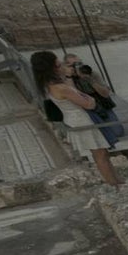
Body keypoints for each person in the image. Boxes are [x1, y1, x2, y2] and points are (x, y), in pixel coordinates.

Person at [31, 51, 119, 186]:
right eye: (59, 64)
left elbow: (75, 92)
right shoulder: (60, 88)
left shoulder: (51, 85)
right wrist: (90, 99)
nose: (61, 66)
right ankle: (114, 183)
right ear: (53, 67)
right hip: (83, 120)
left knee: (102, 153)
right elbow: (88, 103)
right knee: (100, 155)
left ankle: (116, 180)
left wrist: (68, 77)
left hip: (77, 119)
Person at [63, 54, 123, 148]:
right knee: (97, 134)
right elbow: (73, 94)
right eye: (74, 65)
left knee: (118, 132)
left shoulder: (92, 74)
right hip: (85, 110)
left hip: (102, 106)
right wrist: (69, 76)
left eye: (80, 63)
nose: (79, 67)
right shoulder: (66, 78)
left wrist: (90, 80)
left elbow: (105, 93)